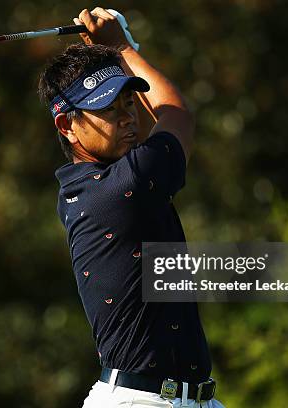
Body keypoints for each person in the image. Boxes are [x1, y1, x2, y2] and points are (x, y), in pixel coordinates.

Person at [38, 8, 225, 408]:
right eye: (108, 110)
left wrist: (114, 52)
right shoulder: (128, 184)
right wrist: (121, 46)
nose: (127, 119)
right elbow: (176, 114)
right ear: (67, 126)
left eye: (128, 103)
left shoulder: (82, 188)